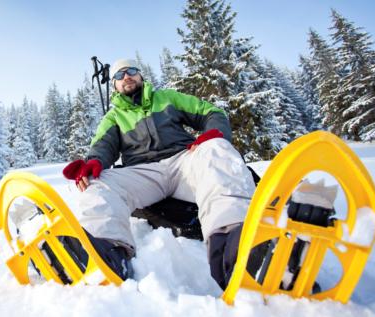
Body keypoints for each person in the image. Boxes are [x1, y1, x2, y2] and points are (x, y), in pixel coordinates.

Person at [62, 59, 256, 289]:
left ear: (141, 76)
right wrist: (93, 162)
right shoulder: (113, 118)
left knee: (217, 149)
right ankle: (105, 254)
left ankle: (238, 244)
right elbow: (102, 147)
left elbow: (211, 112)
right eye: (119, 75)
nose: (127, 77)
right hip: (144, 173)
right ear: (114, 85)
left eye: (131, 71)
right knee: (99, 181)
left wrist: (213, 133)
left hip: (184, 161)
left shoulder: (167, 98)